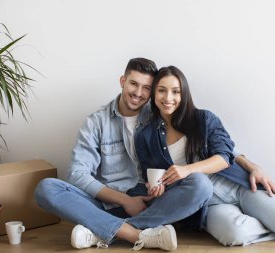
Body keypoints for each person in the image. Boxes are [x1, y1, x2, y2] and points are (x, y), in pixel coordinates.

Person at [135, 65, 275, 246]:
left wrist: (187, 169)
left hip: (239, 186)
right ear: (154, 94)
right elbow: (155, 177)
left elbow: (224, 156)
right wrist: (158, 189)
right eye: (162, 90)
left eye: (176, 91)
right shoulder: (145, 136)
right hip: (209, 204)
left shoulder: (204, 119)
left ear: (184, 94)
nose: (169, 98)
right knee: (234, 235)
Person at [34, 58, 214, 251]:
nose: (138, 93)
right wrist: (125, 201)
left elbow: (211, 139)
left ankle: (101, 230)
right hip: (106, 203)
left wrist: (244, 161)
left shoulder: (160, 114)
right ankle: (135, 234)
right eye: (133, 84)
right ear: (122, 81)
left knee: (201, 185)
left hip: (153, 202)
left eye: (146, 88)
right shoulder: (96, 122)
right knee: (47, 188)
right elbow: (77, 174)